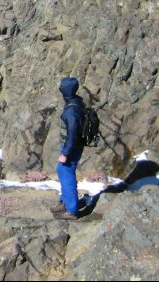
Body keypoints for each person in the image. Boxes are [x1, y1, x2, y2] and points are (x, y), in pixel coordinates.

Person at [51, 76, 89, 220]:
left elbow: (72, 134)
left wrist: (65, 153)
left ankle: (71, 209)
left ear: (64, 90)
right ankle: (65, 202)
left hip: (71, 147)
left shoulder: (71, 111)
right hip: (73, 146)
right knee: (62, 170)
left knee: (66, 173)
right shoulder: (76, 101)